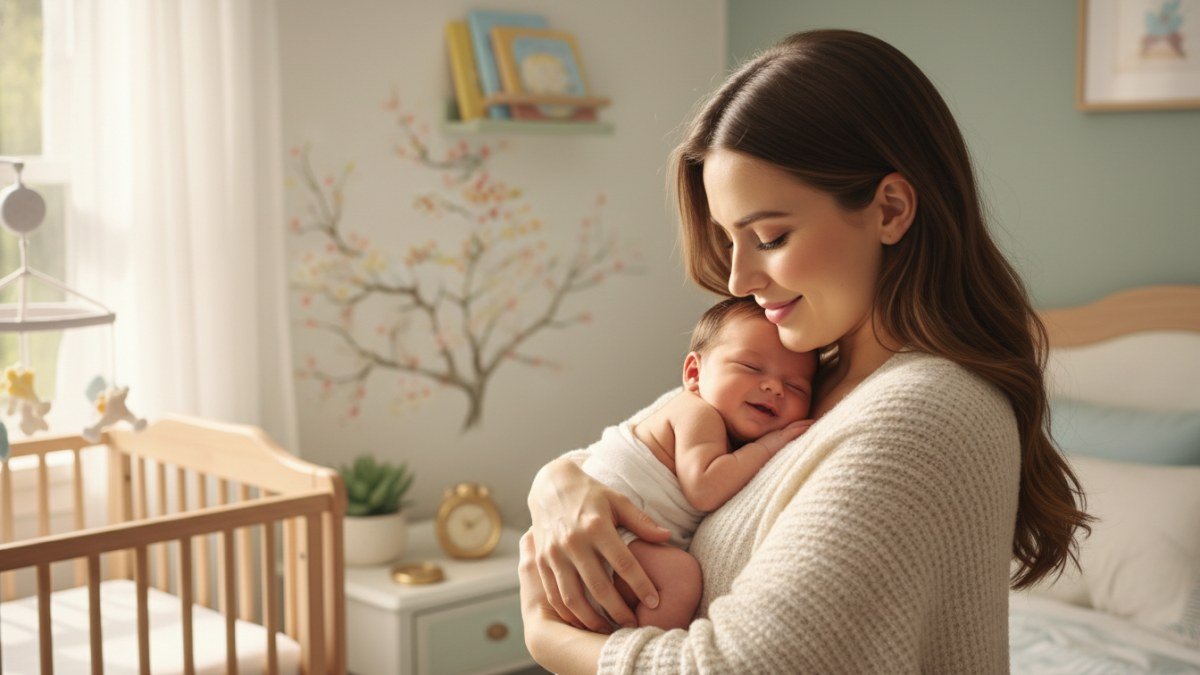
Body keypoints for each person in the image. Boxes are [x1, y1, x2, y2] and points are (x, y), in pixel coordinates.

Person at [518, 28, 1092, 674]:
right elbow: (643, 444)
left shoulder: (924, 414)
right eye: (729, 240)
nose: (738, 280)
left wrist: (547, 638)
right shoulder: (814, 374)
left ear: (892, 209)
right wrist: (557, 482)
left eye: (768, 235)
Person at [579, 296, 816, 630]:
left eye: (796, 387)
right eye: (751, 367)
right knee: (680, 576)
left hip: (614, 545)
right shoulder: (696, 412)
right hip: (603, 538)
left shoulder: (723, 427)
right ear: (694, 373)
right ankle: (646, 653)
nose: (774, 387)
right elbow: (704, 488)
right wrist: (769, 445)